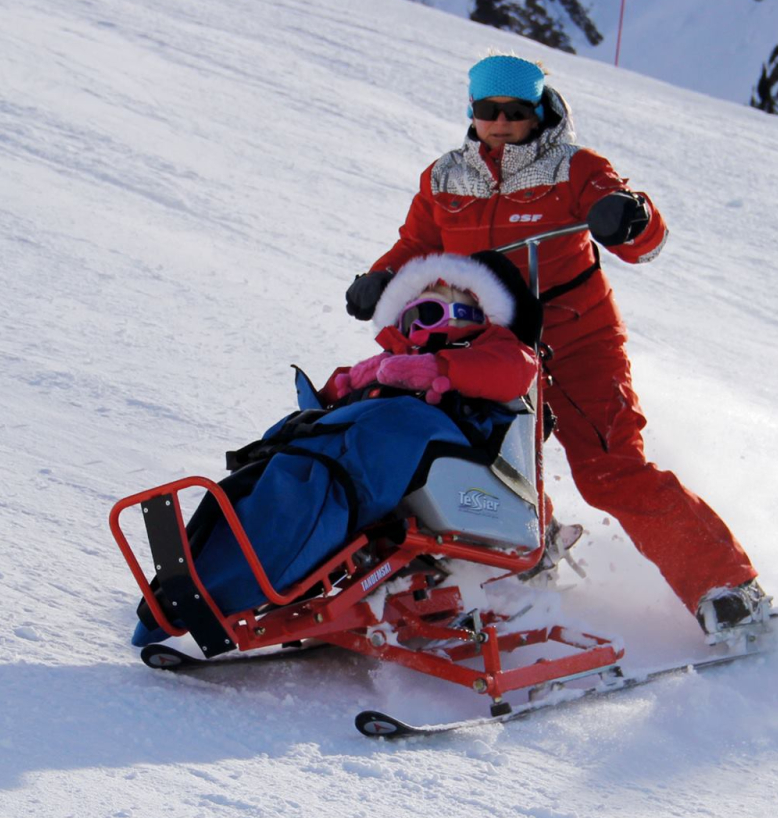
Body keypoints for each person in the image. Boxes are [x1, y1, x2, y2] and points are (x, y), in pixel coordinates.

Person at [344, 53, 769, 639]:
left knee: (608, 470)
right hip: (490, 345)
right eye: (488, 110)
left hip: (577, 340)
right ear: (472, 112)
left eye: (514, 111)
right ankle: (519, 563)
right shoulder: (445, 177)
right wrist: (380, 279)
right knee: (477, 458)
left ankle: (726, 586)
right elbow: (417, 244)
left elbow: (647, 238)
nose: (500, 122)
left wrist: (628, 216)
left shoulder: (574, 168)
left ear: (538, 110)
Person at [132, 252, 538, 647]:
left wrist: (440, 369)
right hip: (380, 455)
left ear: (473, 315)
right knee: (283, 462)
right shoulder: (392, 362)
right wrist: (347, 387)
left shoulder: (496, 351)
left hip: (443, 458)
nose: (418, 331)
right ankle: (196, 579)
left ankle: (231, 584)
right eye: (409, 319)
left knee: (320, 485)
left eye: (430, 315)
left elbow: (511, 371)